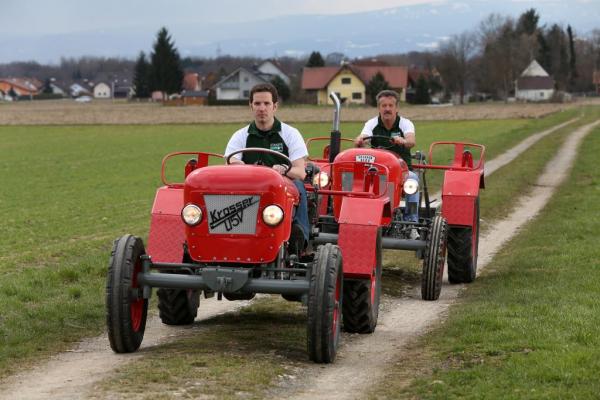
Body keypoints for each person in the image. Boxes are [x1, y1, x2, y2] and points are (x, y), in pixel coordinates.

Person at [224, 83, 309, 249]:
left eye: (266, 103)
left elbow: (300, 172)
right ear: (251, 106)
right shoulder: (240, 136)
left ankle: (298, 236)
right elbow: (230, 163)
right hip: (249, 186)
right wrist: (238, 165)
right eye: (257, 104)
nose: (261, 108)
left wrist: (284, 169)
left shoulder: (290, 134)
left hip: (282, 185)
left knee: (299, 186)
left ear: (275, 106)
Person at [354, 90, 420, 238]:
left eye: (391, 105)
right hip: (378, 171)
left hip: (402, 171)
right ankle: (358, 218)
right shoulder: (372, 123)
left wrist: (403, 141)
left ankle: (411, 224)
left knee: (413, 181)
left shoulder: (405, 123)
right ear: (379, 108)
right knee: (356, 180)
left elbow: (411, 140)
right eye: (384, 105)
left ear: (397, 108)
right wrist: (360, 140)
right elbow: (363, 136)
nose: (387, 109)